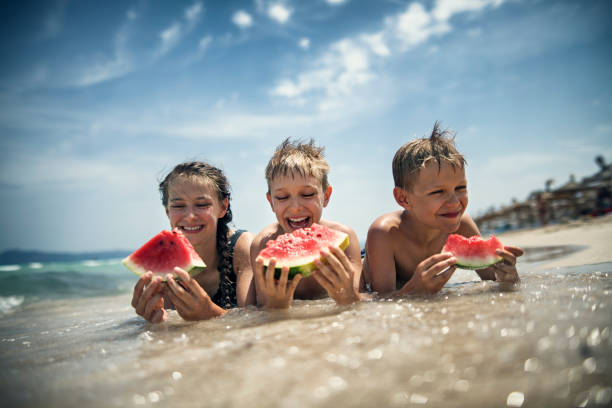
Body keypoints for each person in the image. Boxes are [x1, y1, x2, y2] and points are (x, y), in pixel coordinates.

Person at [363, 123, 523, 296]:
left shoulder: (463, 225)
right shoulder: (384, 233)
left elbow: (492, 279)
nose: (454, 202)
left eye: (460, 188)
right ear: (403, 198)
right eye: (438, 192)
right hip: (368, 256)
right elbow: (379, 300)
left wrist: (508, 277)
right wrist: (412, 291)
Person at [131, 161, 255, 323]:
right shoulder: (164, 262)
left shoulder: (243, 247)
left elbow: (254, 321)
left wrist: (210, 312)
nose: (190, 216)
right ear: (168, 212)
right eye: (178, 206)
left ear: (223, 207)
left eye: (202, 204)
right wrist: (156, 322)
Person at [250, 139, 363, 309]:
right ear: (271, 202)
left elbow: (361, 303)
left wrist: (349, 297)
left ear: (326, 195)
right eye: (282, 197)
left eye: (308, 194)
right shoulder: (262, 245)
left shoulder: (345, 239)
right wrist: (276, 306)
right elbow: (260, 310)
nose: (296, 207)